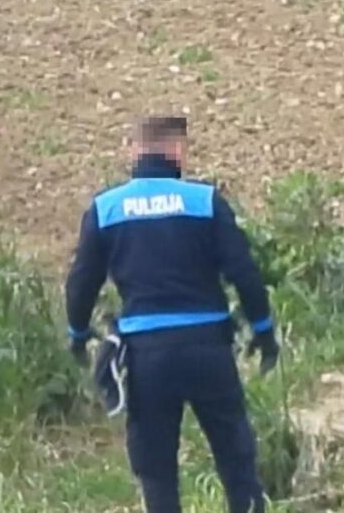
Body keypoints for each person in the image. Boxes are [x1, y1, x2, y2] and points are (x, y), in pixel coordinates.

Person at [64, 117, 280, 512]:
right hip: (208, 349)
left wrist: (77, 334)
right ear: (178, 150)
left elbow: (81, 283)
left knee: (157, 472)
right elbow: (244, 273)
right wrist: (263, 330)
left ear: (134, 150)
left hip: (146, 356)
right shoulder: (204, 201)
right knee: (236, 461)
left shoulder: (106, 208)